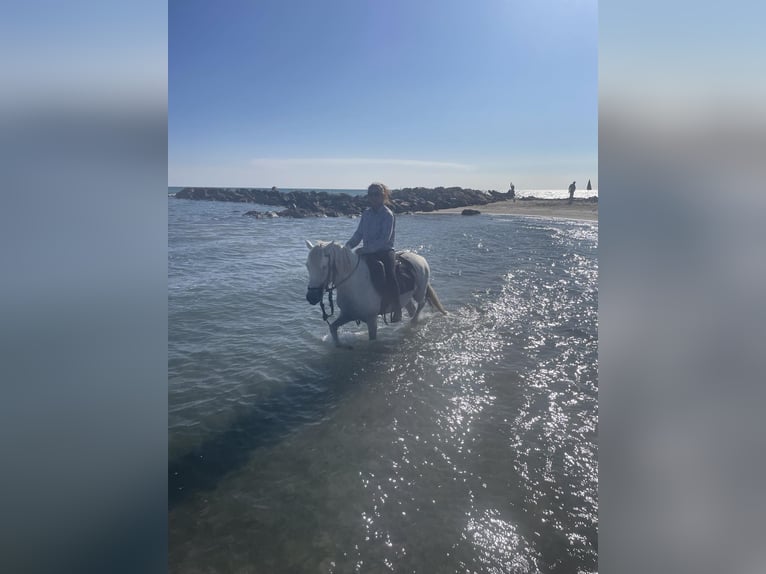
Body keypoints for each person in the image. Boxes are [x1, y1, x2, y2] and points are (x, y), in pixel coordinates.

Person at [346, 183, 402, 322]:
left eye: (377, 194)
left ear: (383, 196)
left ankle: (397, 307)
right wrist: (347, 246)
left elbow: (384, 239)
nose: (373, 197)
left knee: (390, 273)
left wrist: (365, 250)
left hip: (384, 251)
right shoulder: (366, 214)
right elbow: (358, 234)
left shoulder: (388, 214)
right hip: (367, 252)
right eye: (370, 194)